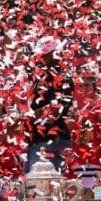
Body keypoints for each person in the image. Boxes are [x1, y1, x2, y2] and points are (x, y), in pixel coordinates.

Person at [25, 37, 74, 173]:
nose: (42, 58)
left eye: (45, 54)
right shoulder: (41, 74)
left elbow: (60, 105)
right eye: (41, 55)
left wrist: (34, 115)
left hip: (54, 139)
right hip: (37, 138)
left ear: (54, 53)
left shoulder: (62, 75)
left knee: (47, 184)